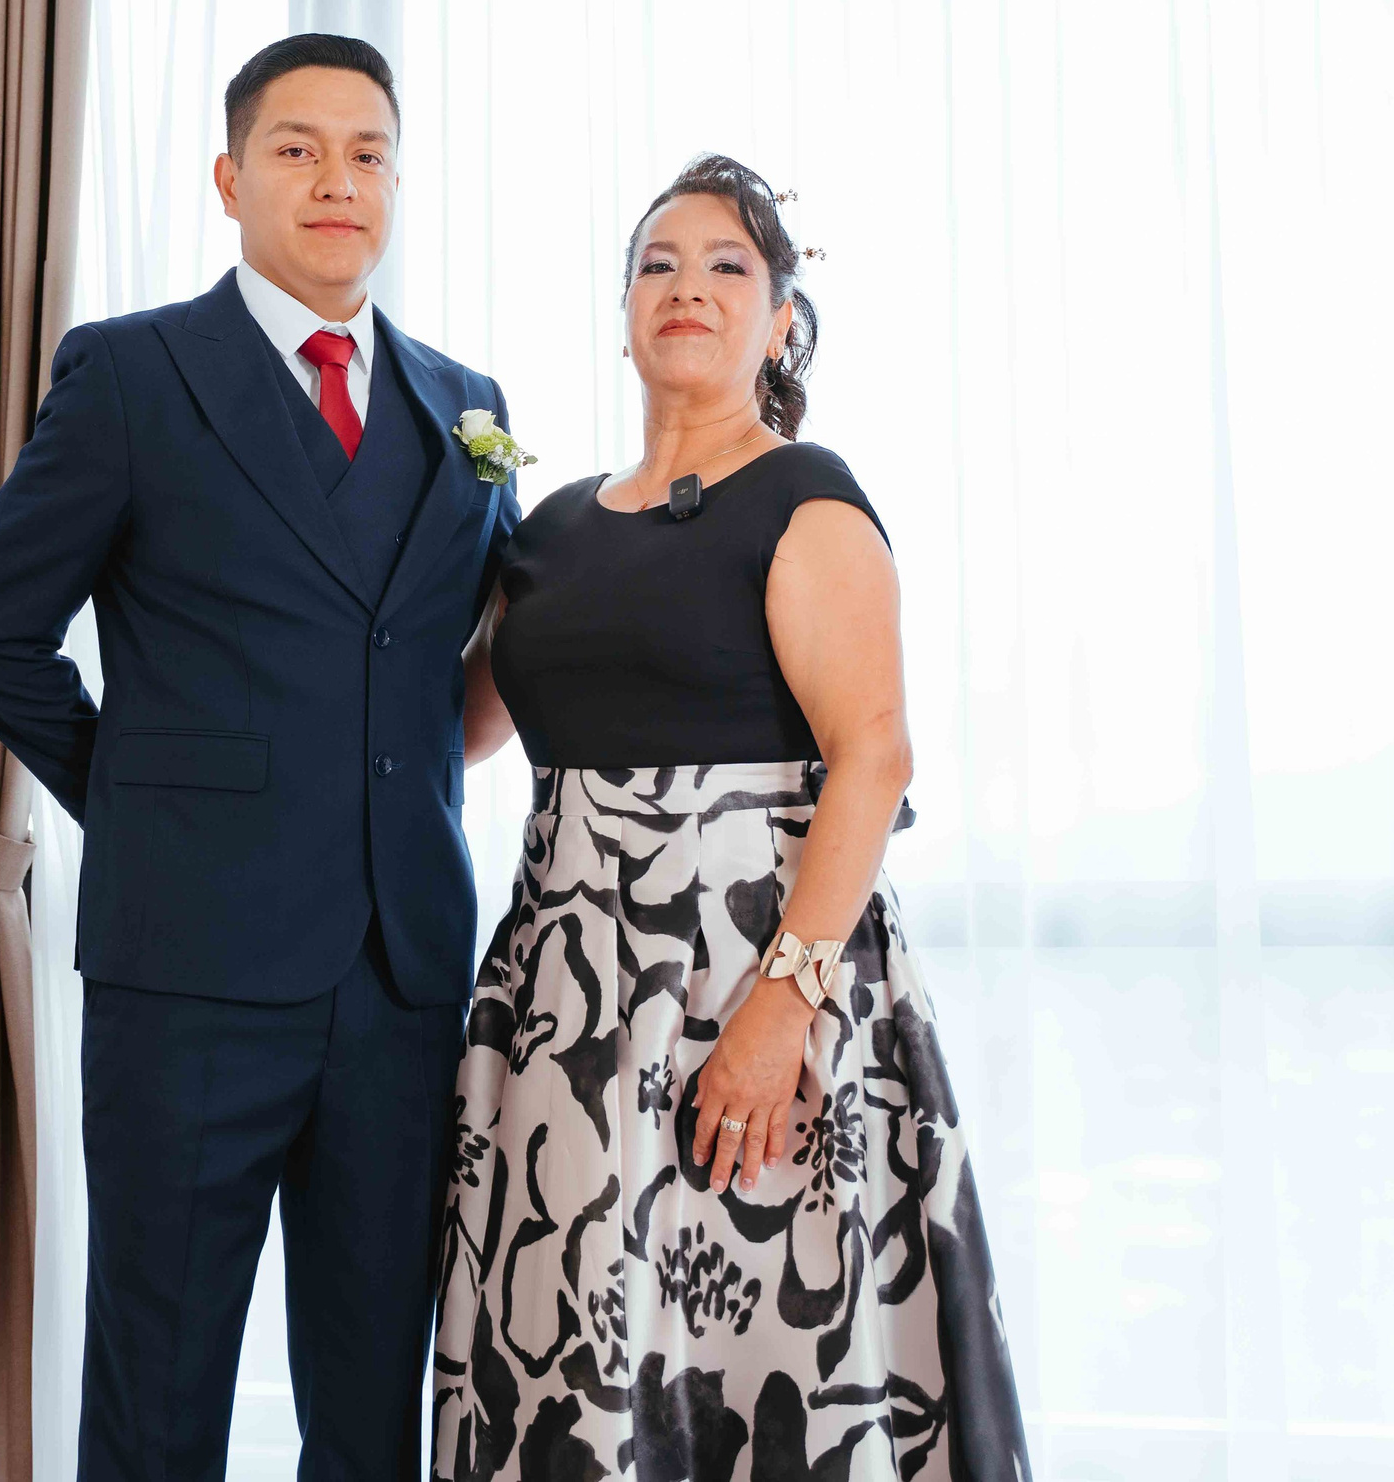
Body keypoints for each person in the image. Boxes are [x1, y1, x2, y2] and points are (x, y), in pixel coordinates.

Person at [0, 33, 523, 1482]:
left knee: (376, 1396)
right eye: (297, 148)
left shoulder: (465, 404)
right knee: (160, 1392)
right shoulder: (137, 375)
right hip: (186, 974)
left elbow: (484, 658)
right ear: (229, 176)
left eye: (369, 153)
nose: (338, 180)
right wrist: (146, 807)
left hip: (399, 980)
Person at [434, 156, 1030, 1481]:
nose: (686, 287)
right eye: (657, 264)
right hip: (567, 1001)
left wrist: (784, 1006)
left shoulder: (801, 495)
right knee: (574, 1352)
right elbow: (466, 728)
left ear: (781, 326)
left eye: (725, 268)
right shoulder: (550, 526)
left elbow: (872, 753)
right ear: (623, 311)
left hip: (758, 985)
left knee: (767, 1362)